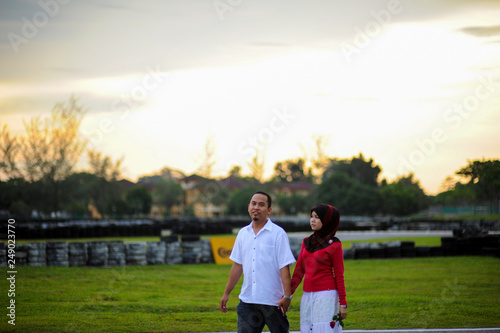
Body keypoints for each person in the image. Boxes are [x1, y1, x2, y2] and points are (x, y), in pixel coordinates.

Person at [220, 191, 297, 333]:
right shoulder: (243, 233)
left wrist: (287, 296)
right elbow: (238, 265)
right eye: (253, 203)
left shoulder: (278, 233)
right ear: (249, 207)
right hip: (247, 301)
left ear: (269, 210)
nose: (256, 207)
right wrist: (226, 293)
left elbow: (284, 267)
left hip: (273, 302)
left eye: (261, 205)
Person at [290, 204, 348, 333]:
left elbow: (339, 275)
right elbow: (299, 271)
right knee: (307, 329)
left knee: (323, 329)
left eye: (317, 217)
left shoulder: (335, 245)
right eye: (311, 216)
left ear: (327, 220)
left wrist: (343, 304)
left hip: (326, 295)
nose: (312, 220)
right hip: (307, 296)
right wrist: (287, 295)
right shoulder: (306, 242)